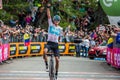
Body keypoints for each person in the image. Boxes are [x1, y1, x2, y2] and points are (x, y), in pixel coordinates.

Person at [43, 3, 63, 79]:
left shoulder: (60, 28)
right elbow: (48, 15)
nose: (56, 21)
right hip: (49, 43)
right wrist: (48, 7)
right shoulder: (51, 24)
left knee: (57, 60)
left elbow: (60, 37)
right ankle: (46, 65)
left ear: (59, 21)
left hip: (55, 44)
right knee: (44, 51)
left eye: (58, 20)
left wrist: (59, 41)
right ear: (54, 20)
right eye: (55, 20)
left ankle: (56, 73)